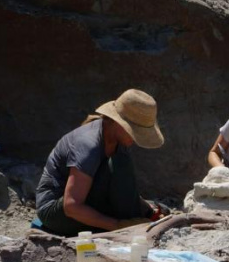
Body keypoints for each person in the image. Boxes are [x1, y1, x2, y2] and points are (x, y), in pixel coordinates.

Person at [36, 88, 165, 236]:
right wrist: (119, 226)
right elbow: (71, 206)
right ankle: (126, 226)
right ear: (119, 123)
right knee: (121, 168)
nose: (135, 138)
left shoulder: (118, 141)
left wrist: (149, 211)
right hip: (56, 213)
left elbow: (121, 185)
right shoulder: (88, 145)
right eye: (134, 131)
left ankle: (138, 217)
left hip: (88, 201)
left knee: (122, 164)